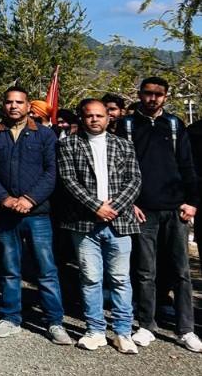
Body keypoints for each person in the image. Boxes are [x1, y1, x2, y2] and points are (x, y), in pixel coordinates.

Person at [115, 77, 201, 352]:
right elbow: (120, 167)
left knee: (181, 272)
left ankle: (185, 329)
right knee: (144, 271)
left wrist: (192, 202)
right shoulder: (127, 126)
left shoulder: (175, 125)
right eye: (148, 93)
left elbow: (187, 166)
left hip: (176, 209)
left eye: (158, 94)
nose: (152, 98)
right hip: (143, 210)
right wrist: (129, 202)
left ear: (166, 96)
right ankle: (146, 324)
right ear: (139, 94)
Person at [0, 87, 72, 345]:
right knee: (10, 270)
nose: (13, 106)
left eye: (19, 102)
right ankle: (11, 318)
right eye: (9, 102)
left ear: (27, 106)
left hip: (38, 214)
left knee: (46, 269)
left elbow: (51, 172)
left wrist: (29, 200)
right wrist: (5, 199)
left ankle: (55, 322)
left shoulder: (44, 135)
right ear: (3, 104)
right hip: (6, 212)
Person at [58, 99, 142, 353]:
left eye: (99, 115)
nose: (94, 119)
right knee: (91, 278)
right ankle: (95, 330)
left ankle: (122, 331)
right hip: (84, 223)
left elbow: (135, 180)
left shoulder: (124, 145)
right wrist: (95, 207)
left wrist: (112, 208)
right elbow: (68, 180)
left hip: (120, 222)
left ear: (108, 118)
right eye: (89, 116)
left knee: (120, 279)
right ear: (81, 118)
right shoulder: (68, 144)